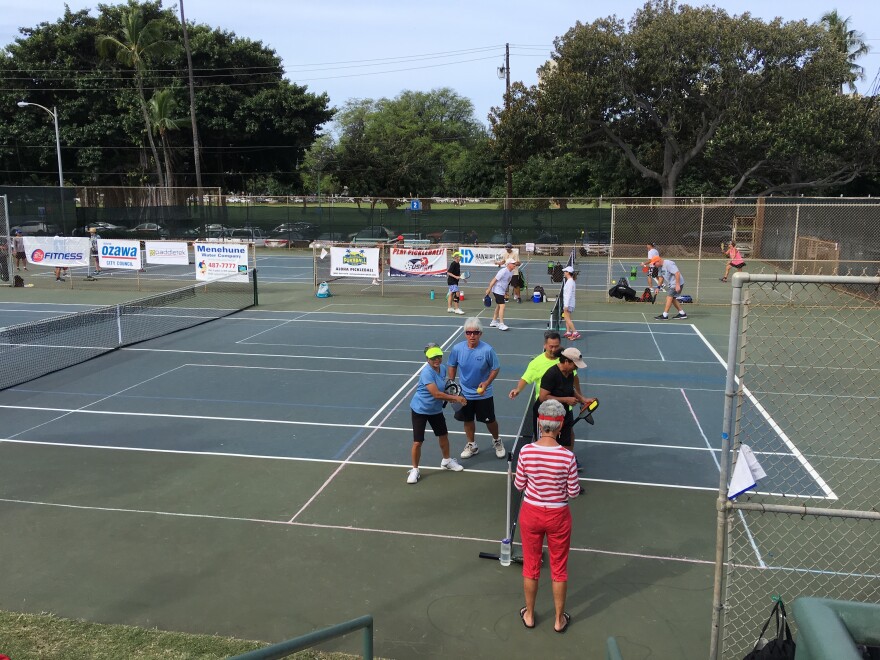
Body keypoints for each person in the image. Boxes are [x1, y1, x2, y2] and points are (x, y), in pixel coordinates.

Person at [515, 398, 580, 632]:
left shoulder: (526, 451)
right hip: (558, 516)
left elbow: (519, 484)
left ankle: (530, 615)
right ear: (561, 426)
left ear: (540, 424)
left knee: (531, 565)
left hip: (531, 513)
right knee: (559, 568)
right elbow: (573, 492)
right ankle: (558, 619)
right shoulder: (567, 457)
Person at [407, 344, 467, 484]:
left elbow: (442, 388)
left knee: (443, 435)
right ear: (427, 358)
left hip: (435, 410)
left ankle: (446, 461)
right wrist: (455, 398)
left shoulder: (443, 368)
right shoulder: (426, 372)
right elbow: (435, 394)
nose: (437, 359)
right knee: (418, 442)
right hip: (420, 410)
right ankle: (415, 470)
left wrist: (450, 392)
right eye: (433, 357)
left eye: (439, 356)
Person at [447, 317, 505, 459]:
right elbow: (452, 365)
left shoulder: (487, 350)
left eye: (475, 332)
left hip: (483, 393)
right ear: (465, 333)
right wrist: (451, 383)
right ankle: (472, 444)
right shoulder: (457, 349)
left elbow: (495, 368)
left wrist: (486, 383)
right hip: (465, 393)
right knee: (468, 420)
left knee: (490, 420)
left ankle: (497, 440)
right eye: (468, 332)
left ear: (480, 333)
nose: (472, 335)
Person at [537, 347, 594, 471]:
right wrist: (566, 400)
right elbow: (543, 397)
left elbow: (570, 390)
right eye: (575, 365)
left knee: (567, 439)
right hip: (550, 415)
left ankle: (566, 466)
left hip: (565, 412)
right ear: (567, 361)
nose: (576, 368)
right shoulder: (551, 374)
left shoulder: (569, 373)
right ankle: (549, 469)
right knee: (550, 442)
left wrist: (583, 399)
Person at [485, 260, 516, 331]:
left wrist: (504, 291)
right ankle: (501, 324)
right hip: (497, 289)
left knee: (499, 306)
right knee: (502, 305)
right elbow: (494, 280)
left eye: (515, 263)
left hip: (501, 290)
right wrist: (489, 289)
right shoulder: (503, 271)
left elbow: (507, 282)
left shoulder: (511, 272)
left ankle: (494, 321)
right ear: (508, 264)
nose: (515, 265)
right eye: (513, 263)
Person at [561, 266, 580, 340]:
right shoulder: (570, 281)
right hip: (569, 303)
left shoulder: (570, 282)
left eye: (565, 272)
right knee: (567, 318)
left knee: (566, 318)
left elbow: (568, 294)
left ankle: (575, 332)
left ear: (568, 273)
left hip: (568, 304)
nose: (564, 273)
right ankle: (568, 332)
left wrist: (566, 305)